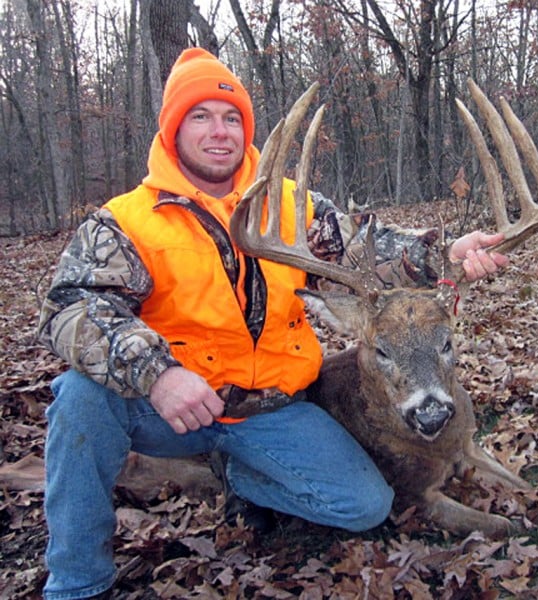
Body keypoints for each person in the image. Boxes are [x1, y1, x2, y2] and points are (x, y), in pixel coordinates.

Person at [37, 47, 508, 600]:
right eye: (201, 116)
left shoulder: (289, 206)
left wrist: (445, 254)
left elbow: (363, 246)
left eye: (232, 117)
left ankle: (235, 475)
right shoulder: (126, 221)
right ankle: (78, 583)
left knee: (364, 506)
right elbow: (69, 308)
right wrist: (157, 373)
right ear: (172, 128)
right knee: (79, 398)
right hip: (174, 407)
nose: (220, 132)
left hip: (271, 409)